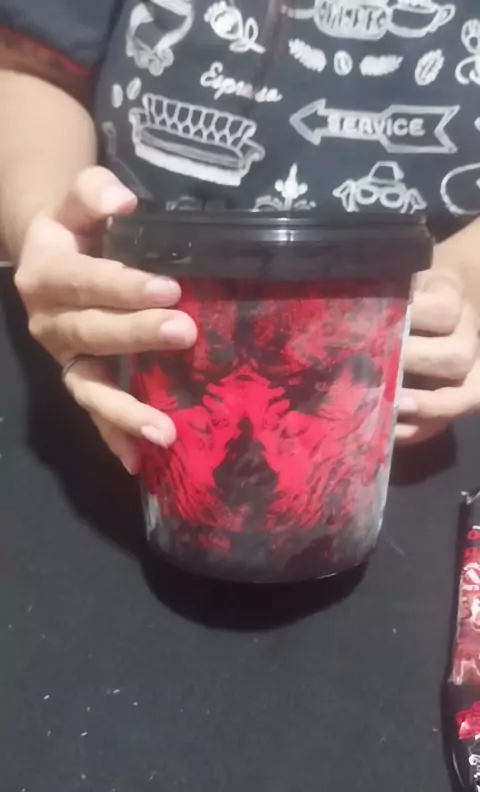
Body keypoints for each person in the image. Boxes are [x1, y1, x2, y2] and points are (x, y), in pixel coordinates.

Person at [0, 0, 478, 477]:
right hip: (126, 363)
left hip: (422, 381)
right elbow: (32, 65)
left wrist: (466, 271)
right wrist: (50, 228)